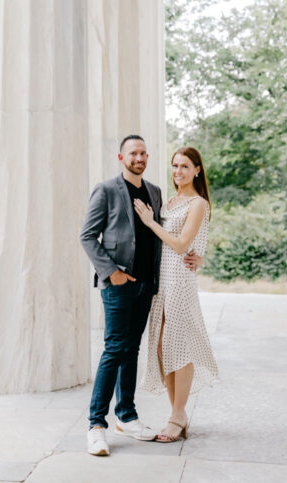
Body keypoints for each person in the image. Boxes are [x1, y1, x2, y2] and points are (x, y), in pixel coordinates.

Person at [79, 135, 202, 456]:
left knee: (131, 350)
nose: (140, 157)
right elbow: (88, 236)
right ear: (121, 158)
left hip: (149, 285)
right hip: (118, 284)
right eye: (133, 153)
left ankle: (127, 415)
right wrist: (112, 272)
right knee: (114, 349)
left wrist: (196, 255)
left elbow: (172, 235)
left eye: (144, 153)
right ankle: (96, 425)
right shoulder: (106, 190)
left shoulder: (156, 192)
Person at [133, 146, 219, 443]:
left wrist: (150, 222)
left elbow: (182, 245)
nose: (178, 172)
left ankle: (177, 415)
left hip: (180, 280)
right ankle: (177, 414)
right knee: (160, 347)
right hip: (162, 280)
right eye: (174, 166)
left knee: (178, 346)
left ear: (197, 170)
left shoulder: (198, 203)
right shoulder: (170, 201)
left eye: (184, 166)